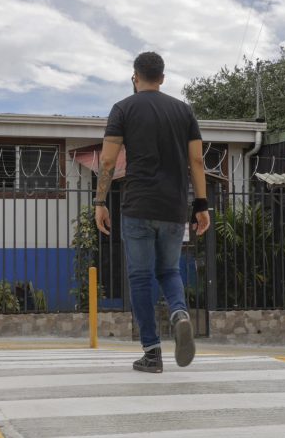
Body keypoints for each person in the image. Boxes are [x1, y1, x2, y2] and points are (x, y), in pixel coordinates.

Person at [94, 51, 210, 373]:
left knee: (140, 277)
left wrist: (100, 202)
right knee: (169, 271)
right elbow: (197, 162)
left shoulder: (123, 109)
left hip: (138, 207)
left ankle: (152, 353)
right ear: (162, 78)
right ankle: (179, 314)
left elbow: (106, 161)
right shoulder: (183, 111)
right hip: (174, 207)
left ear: (135, 76)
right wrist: (201, 205)